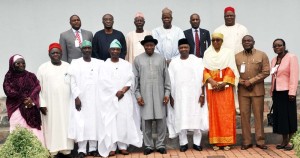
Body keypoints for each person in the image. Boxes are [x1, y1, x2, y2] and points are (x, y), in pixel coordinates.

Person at [97, 39, 142, 157]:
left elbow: (131, 80)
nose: (115, 51)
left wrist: (122, 91)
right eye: (113, 49)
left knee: (123, 120)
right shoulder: (104, 65)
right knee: (111, 121)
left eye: (117, 49)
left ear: (120, 51)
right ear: (109, 50)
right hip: (109, 98)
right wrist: (114, 92)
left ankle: (122, 146)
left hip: (124, 97)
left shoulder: (126, 64)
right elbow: (103, 81)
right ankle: (111, 147)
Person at [167, 38, 208, 152]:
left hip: (195, 95)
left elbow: (203, 79)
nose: (183, 49)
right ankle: (183, 143)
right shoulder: (173, 63)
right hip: (179, 96)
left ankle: (196, 143)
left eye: (185, 47)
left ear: (189, 48)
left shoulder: (197, 60)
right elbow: (170, 81)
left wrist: (203, 94)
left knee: (196, 117)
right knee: (181, 117)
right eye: (181, 47)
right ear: (178, 49)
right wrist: (171, 97)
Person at [133, 35, 171, 155]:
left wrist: (167, 94)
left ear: (155, 46)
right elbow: (135, 80)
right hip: (145, 96)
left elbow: (167, 79)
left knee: (161, 122)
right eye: (147, 45)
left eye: (151, 45)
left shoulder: (161, 58)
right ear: (143, 46)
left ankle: (160, 145)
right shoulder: (138, 59)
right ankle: (148, 146)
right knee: (146, 123)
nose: (149, 47)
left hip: (160, 96)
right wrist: (138, 96)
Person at [203, 33, 239, 151]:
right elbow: (204, 70)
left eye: (218, 40)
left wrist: (225, 82)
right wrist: (212, 81)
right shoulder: (207, 54)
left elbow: (232, 68)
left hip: (225, 88)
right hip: (212, 89)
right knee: (214, 115)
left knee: (226, 114)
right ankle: (216, 142)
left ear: (222, 41)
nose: (216, 42)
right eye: (213, 40)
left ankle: (227, 142)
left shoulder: (228, 53)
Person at [37, 43, 74, 157]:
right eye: (53, 53)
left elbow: (74, 84)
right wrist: (41, 104)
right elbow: (38, 87)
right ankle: (53, 150)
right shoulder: (43, 68)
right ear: (49, 54)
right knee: (51, 126)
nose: (56, 55)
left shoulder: (68, 66)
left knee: (66, 125)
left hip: (66, 104)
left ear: (62, 53)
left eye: (58, 52)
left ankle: (66, 149)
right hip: (50, 104)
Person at [68, 40, 103, 158]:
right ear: (81, 50)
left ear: (91, 49)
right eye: (85, 48)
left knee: (94, 122)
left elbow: (103, 81)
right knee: (81, 123)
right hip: (81, 98)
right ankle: (82, 150)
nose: (87, 50)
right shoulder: (75, 63)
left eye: (89, 48)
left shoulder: (99, 63)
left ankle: (93, 148)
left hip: (95, 98)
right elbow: (72, 81)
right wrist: (76, 97)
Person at [235, 35, 270, 150]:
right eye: (244, 41)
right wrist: (242, 82)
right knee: (244, 116)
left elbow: (266, 71)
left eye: (249, 40)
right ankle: (246, 141)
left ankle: (260, 141)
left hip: (257, 91)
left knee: (258, 116)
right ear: (242, 43)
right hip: (243, 92)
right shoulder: (237, 57)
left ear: (253, 42)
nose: (247, 42)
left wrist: (251, 81)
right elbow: (233, 73)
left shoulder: (262, 54)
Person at [214, 6, 249, 114]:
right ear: (224, 17)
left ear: (235, 16)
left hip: (240, 60)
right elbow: (216, 46)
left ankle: (240, 107)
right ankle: (232, 106)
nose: (229, 17)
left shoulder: (242, 28)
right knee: (229, 83)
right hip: (225, 61)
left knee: (240, 82)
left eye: (231, 15)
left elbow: (247, 44)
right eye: (227, 16)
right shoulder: (218, 30)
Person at [3, 54, 44, 145]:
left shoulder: (31, 76)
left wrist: (31, 98)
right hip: (16, 107)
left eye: (23, 63)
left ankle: (36, 150)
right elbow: (8, 90)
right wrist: (24, 98)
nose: (21, 65)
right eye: (18, 63)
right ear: (12, 64)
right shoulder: (9, 77)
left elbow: (37, 87)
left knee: (33, 130)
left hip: (30, 105)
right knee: (18, 128)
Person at [270, 38, 299, 151]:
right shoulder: (274, 60)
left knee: (289, 116)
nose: (277, 47)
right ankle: (284, 140)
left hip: (287, 92)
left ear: (284, 46)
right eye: (275, 46)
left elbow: (294, 75)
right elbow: (273, 76)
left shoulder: (291, 57)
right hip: (277, 92)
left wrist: (292, 92)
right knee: (281, 117)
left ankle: (290, 142)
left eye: (279, 45)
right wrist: (272, 90)